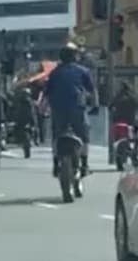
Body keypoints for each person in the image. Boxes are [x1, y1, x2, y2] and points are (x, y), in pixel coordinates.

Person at [43, 42, 99, 178]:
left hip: (58, 110)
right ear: (75, 57)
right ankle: (84, 163)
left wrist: (43, 109)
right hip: (77, 109)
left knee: (56, 136)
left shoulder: (55, 73)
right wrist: (95, 105)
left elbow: (46, 94)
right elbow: (92, 91)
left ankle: (56, 163)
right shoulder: (82, 71)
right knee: (84, 135)